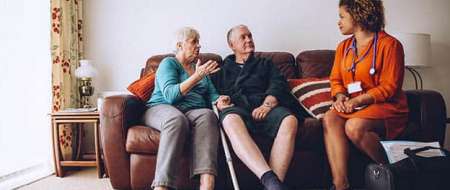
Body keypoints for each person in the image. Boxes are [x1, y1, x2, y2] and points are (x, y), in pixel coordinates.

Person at [323, 0, 409, 190]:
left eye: (342, 17)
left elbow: (390, 87)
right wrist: (340, 98)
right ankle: (340, 185)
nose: (338, 22)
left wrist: (358, 100)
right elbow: (335, 80)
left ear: (358, 15)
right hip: (355, 105)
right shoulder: (343, 47)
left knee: (354, 126)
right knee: (330, 117)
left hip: (386, 105)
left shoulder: (390, 45)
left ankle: (394, 170)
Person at [212, 24, 304, 190]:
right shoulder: (222, 70)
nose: (249, 40)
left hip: (265, 106)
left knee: (290, 120)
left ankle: (273, 186)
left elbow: (278, 84)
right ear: (232, 45)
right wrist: (219, 101)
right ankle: (271, 180)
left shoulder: (265, 64)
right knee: (230, 119)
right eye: (243, 37)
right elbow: (212, 94)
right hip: (238, 109)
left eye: (250, 36)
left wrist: (267, 105)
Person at [143, 27, 228, 190]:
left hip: (192, 111)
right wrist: (197, 76)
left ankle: (207, 183)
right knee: (176, 120)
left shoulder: (199, 68)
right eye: (194, 42)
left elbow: (212, 95)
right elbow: (170, 95)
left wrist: (220, 100)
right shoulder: (169, 63)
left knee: (208, 115)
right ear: (179, 45)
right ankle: (162, 186)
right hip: (162, 107)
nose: (199, 46)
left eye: (199, 42)